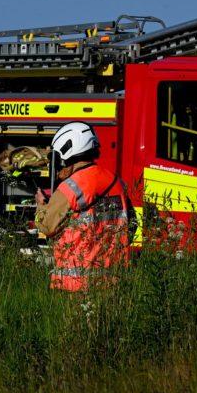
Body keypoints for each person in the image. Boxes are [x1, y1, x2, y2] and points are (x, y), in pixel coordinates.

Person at [33, 122, 130, 292]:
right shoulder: (116, 181)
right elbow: (131, 224)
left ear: (67, 151)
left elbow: (47, 226)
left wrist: (41, 204)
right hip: (114, 280)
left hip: (76, 283)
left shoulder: (70, 186)